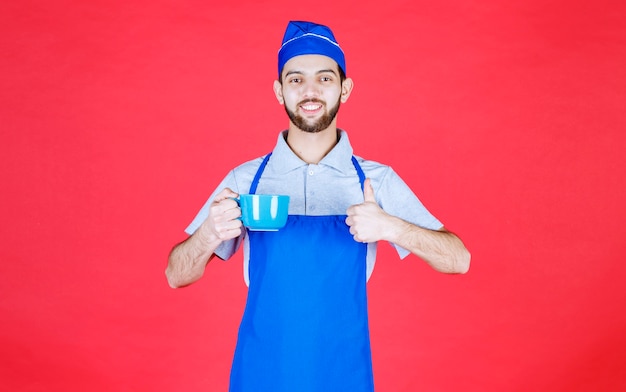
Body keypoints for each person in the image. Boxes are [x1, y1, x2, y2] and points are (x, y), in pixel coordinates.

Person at [165, 20, 471, 392]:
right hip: (260, 374)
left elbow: (459, 260)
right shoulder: (245, 180)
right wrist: (208, 234)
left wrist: (393, 227)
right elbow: (175, 275)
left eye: (325, 78)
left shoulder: (375, 181)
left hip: (343, 374)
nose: (310, 91)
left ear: (345, 89)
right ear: (279, 91)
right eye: (296, 79)